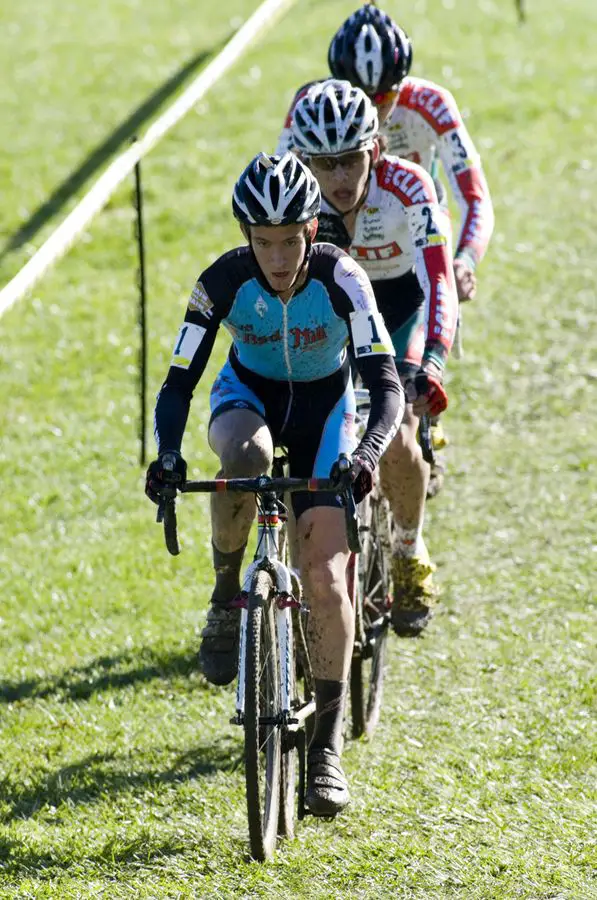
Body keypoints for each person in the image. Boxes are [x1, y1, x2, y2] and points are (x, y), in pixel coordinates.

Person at [145, 151, 404, 816]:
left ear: (312, 230)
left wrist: (370, 450)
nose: (280, 256)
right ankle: (226, 592)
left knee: (322, 571)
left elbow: (382, 382)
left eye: (292, 239)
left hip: (326, 408)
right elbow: (179, 381)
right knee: (243, 455)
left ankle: (323, 748)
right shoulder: (221, 282)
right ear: (245, 237)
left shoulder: (341, 277)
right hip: (250, 397)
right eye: (264, 242)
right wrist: (168, 454)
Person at [277, 1, 494, 494]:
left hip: (408, 257)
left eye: (388, 94)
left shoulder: (432, 106)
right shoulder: (312, 112)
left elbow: (475, 198)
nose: (376, 108)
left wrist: (463, 259)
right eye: (363, 95)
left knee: (400, 422)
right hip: (344, 269)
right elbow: (281, 194)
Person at [290, 79, 458, 637]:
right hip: (339, 313)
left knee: (400, 430)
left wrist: (432, 359)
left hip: (402, 306)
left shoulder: (408, 189)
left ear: (376, 152)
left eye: (351, 162)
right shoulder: (294, 198)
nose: (338, 179)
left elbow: (438, 283)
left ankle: (409, 553)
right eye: (325, 164)